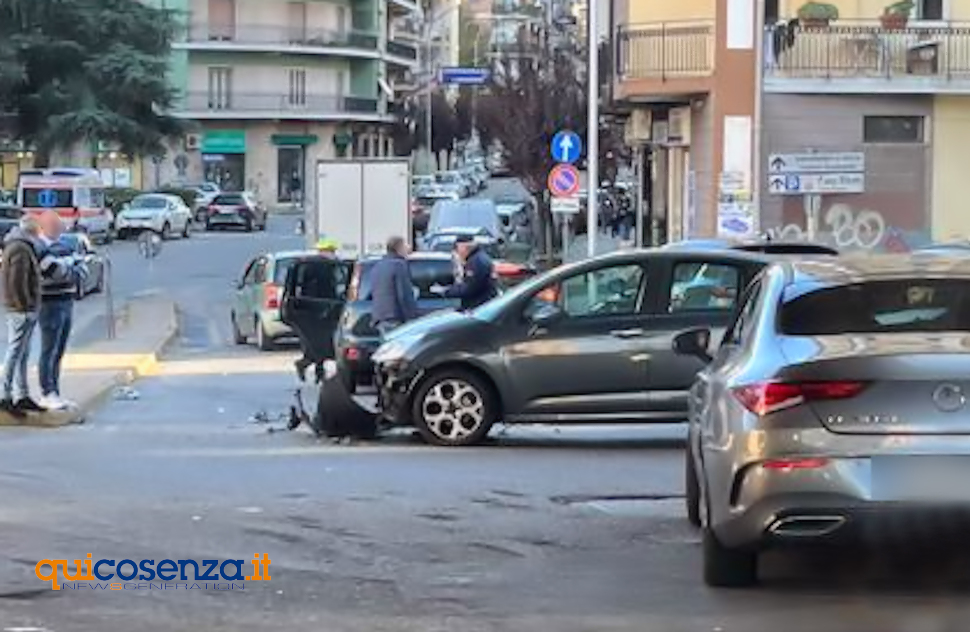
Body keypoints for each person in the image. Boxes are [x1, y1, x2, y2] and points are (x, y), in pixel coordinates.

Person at [36, 211, 87, 410]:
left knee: (59, 350)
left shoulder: (65, 246)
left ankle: (55, 391)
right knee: (49, 349)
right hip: (49, 303)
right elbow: (51, 273)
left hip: (67, 300)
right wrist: (68, 269)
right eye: (54, 225)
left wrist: (68, 269)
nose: (59, 228)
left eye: (59, 224)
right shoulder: (39, 248)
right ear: (43, 226)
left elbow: (82, 270)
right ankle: (46, 392)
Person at [0, 215, 46, 417]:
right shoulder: (20, 248)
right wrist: (25, 307)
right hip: (20, 310)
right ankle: (5, 396)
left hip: (20, 308)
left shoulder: (20, 245)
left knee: (22, 354)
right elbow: (17, 281)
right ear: (31, 230)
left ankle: (22, 395)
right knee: (14, 352)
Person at [367, 236, 419, 337]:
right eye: (405, 246)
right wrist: (411, 318)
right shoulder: (399, 265)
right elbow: (404, 294)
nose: (408, 248)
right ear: (398, 249)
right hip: (394, 318)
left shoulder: (378, 265)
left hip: (380, 317)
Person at [440, 235, 497, 310]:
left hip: (478, 307)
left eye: (457, 248)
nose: (458, 252)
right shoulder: (478, 258)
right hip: (483, 306)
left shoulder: (475, 262)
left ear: (464, 247)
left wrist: (446, 291)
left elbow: (469, 288)